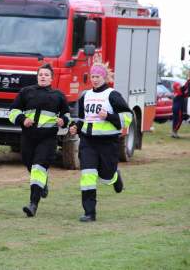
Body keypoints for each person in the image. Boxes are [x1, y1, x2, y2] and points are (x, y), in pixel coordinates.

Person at [69, 62, 132, 222]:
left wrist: (109, 116)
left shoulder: (112, 95)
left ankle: (114, 178)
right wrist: (76, 127)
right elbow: (82, 119)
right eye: (92, 76)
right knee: (87, 175)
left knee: (106, 176)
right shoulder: (85, 96)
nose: (95, 80)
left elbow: (128, 117)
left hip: (108, 143)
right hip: (88, 142)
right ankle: (89, 212)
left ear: (104, 77)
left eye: (97, 76)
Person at [9, 64, 70, 217]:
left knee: (38, 168)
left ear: (51, 78)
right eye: (41, 74)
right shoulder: (26, 92)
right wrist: (22, 119)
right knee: (30, 164)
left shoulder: (58, 95)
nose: (43, 76)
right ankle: (43, 182)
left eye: (46, 74)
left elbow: (67, 115)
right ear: (37, 76)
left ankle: (33, 205)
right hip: (28, 137)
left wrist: (63, 120)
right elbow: (13, 111)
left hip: (48, 139)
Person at [171, 72, 190, 138]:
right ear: (176, 87)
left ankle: (174, 132)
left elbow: (184, 88)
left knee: (176, 120)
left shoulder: (177, 92)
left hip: (176, 108)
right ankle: (174, 132)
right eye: (178, 86)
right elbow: (185, 90)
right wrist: (188, 81)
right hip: (178, 108)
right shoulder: (179, 93)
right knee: (179, 120)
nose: (179, 87)